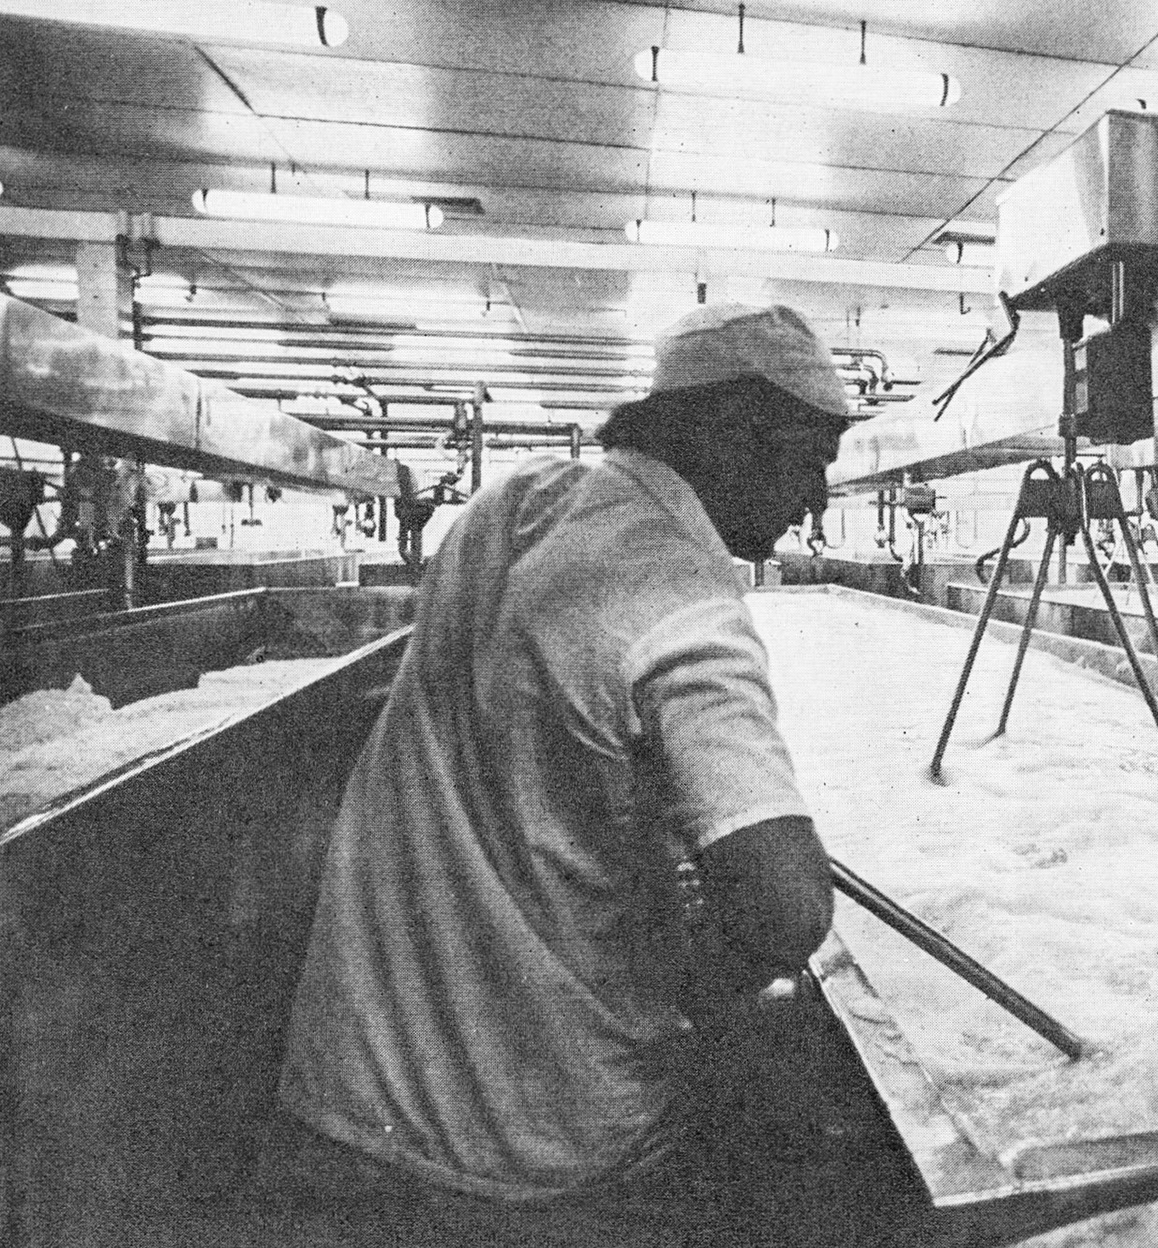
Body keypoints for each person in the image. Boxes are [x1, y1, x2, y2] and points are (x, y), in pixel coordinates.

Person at [259, 304, 919, 1244]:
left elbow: (534, 741)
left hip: (348, 1089)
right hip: (531, 1149)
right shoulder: (686, 599)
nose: (817, 493)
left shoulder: (513, 504)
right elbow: (785, 909)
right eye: (809, 455)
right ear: (734, 432)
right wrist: (688, 974)